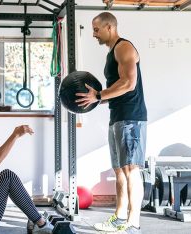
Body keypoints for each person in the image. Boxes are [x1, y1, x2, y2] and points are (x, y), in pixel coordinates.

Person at [75, 12, 147, 234]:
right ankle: (119, 218)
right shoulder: (111, 53)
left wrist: (98, 96)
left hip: (131, 117)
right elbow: (116, 90)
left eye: (96, 29)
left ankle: (133, 224)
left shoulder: (123, 47)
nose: (94, 34)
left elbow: (129, 83)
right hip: (117, 116)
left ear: (109, 27)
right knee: (119, 171)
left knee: (131, 170)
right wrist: (96, 99)